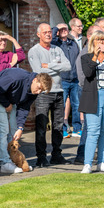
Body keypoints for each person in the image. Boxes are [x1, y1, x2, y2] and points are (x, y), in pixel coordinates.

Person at [28, 23, 73, 167]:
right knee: (41, 126)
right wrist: (56, 68)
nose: (48, 34)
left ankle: (56, 155)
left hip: (59, 91)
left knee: (58, 126)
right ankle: (41, 157)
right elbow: (39, 71)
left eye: (49, 32)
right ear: (38, 35)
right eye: (45, 32)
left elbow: (68, 66)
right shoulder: (34, 51)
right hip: (43, 93)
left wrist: (49, 65)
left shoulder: (57, 49)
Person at [0, 30, 27, 174]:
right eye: (0, 40)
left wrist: (13, 40)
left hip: (9, 94)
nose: (3, 43)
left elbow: (21, 56)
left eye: (5, 40)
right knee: (1, 129)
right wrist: (12, 64)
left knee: (12, 129)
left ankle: (12, 158)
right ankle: (2, 161)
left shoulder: (7, 54)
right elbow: (0, 69)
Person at [0, 67, 52, 155]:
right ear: (35, 80)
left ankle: (12, 157)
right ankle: (3, 160)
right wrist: (6, 104)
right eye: (39, 88)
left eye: (42, 91)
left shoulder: (34, 91)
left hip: (9, 98)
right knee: (3, 129)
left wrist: (20, 127)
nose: (38, 92)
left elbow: (24, 108)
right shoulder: (16, 77)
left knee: (14, 130)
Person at [79, 29, 104, 173]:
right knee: (93, 131)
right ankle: (87, 163)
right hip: (93, 97)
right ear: (92, 42)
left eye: (103, 40)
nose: (101, 42)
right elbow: (88, 73)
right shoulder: (86, 57)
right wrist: (95, 56)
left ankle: (102, 162)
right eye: (98, 40)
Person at [54, 22, 82, 139]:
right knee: (61, 105)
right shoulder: (55, 43)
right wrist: (56, 28)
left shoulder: (73, 43)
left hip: (75, 79)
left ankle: (77, 129)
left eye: (65, 28)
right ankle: (63, 129)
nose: (64, 30)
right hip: (63, 79)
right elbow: (52, 37)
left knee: (77, 105)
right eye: (61, 29)